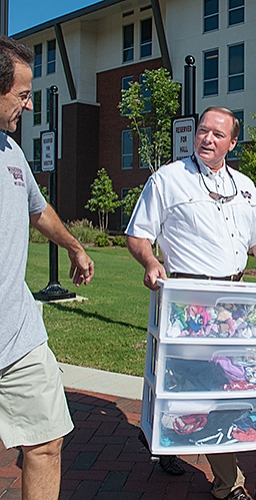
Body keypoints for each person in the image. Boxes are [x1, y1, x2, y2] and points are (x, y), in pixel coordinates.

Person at [126, 106, 256, 500]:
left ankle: (164, 437)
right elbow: (138, 234)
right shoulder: (168, 179)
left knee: (215, 385)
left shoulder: (246, 187)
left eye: (218, 134)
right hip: (187, 300)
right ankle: (227, 484)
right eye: (203, 131)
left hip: (234, 302)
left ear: (232, 143)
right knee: (201, 384)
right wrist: (150, 261)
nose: (207, 139)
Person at [0, 36, 95, 500]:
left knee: (47, 442)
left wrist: (75, 246)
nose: (30, 103)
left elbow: (38, 211)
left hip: (18, 334)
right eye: (21, 94)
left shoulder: (12, 152)